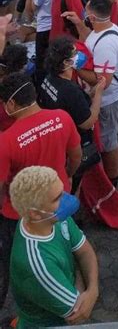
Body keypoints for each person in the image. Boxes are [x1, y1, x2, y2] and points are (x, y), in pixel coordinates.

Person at [0, 72, 81, 305]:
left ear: (12, 104)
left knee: (13, 263)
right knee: (59, 252)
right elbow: (76, 156)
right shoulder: (62, 118)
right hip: (58, 203)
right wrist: (68, 177)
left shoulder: (7, 140)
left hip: (20, 216)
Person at [9, 165, 99, 327]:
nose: (66, 199)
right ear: (35, 213)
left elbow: (85, 251)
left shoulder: (52, 218)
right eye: (57, 198)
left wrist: (92, 290)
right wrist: (86, 284)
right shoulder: (37, 264)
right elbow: (78, 313)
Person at [62, 0, 118, 186]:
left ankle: (112, 183)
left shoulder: (106, 45)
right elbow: (90, 38)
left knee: (108, 143)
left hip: (108, 100)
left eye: (86, 12)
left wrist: (74, 66)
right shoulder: (103, 29)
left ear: (92, 16)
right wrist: (79, 24)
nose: (84, 14)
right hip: (102, 99)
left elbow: (102, 83)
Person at [38, 37, 106, 192]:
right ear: (66, 63)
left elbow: (73, 104)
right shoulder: (70, 91)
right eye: (75, 53)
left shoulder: (50, 78)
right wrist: (98, 94)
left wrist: (89, 94)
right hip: (72, 144)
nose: (79, 55)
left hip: (55, 139)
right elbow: (88, 121)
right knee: (73, 183)